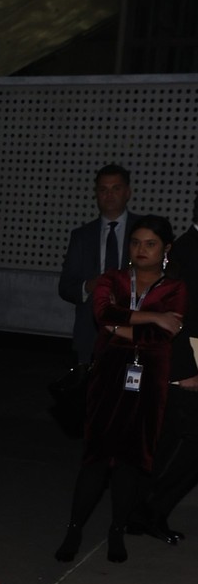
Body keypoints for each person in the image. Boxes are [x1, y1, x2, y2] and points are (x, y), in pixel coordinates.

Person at [55, 215, 187, 563]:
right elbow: (102, 313)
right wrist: (152, 317)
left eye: (150, 244)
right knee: (96, 456)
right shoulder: (112, 277)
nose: (141, 250)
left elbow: (163, 336)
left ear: (166, 249)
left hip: (149, 382)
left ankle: (117, 530)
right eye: (136, 242)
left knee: (131, 460)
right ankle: (74, 529)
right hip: (108, 378)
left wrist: (121, 328)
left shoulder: (175, 288)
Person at [128, 193, 198, 544]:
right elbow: (177, 320)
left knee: (171, 441)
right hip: (181, 365)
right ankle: (147, 510)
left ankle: (143, 511)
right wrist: (186, 370)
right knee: (183, 443)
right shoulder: (185, 252)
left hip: (183, 364)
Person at [59, 164, 142, 371]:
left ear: (128, 192)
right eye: (103, 189)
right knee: (89, 396)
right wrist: (89, 285)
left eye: (116, 188)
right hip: (91, 330)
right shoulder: (81, 236)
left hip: (134, 326)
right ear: (96, 194)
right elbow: (66, 287)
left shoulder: (144, 231)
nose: (110, 195)